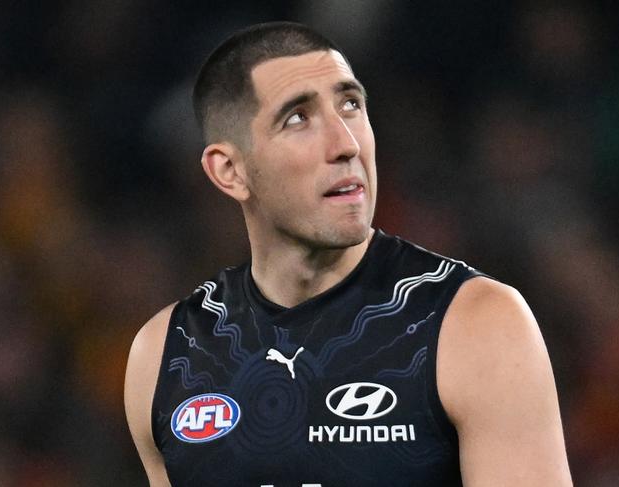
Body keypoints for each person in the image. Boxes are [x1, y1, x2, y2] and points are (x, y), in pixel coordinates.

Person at [124, 22, 572, 487]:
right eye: (298, 118)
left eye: (351, 105)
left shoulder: (476, 326)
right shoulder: (166, 356)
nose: (346, 144)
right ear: (230, 170)